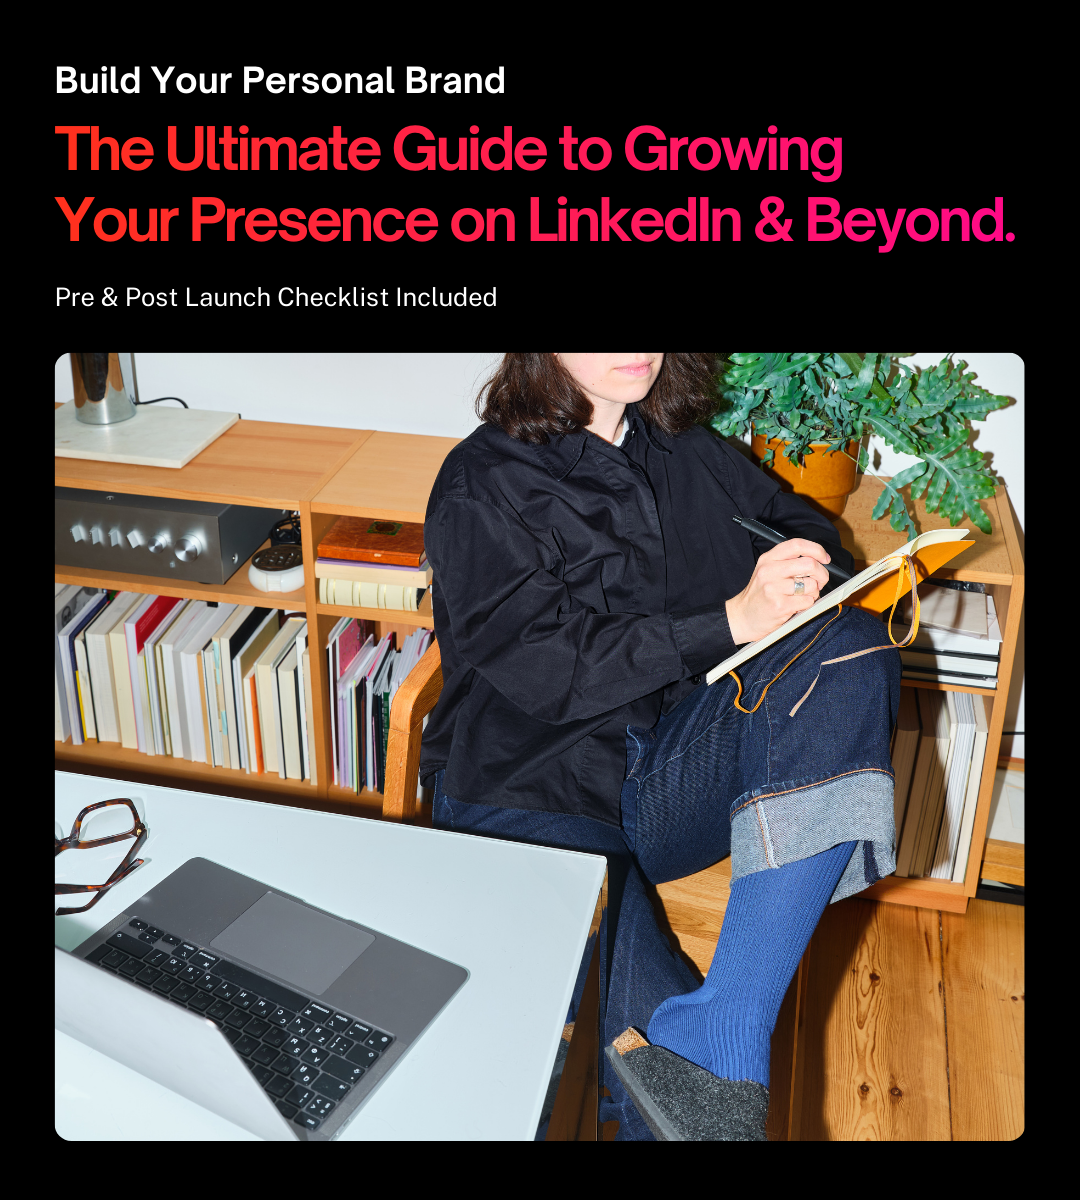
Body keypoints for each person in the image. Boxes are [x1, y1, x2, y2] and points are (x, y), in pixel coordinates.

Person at [420, 353, 901, 1140]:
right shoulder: (482, 482)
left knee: (851, 646)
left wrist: (802, 575)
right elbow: (544, 670)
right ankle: (704, 1054)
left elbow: (803, 525)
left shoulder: (683, 446)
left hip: (663, 775)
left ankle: (729, 1012)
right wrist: (730, 621)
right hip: (529, 787)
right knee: (677, 1096)